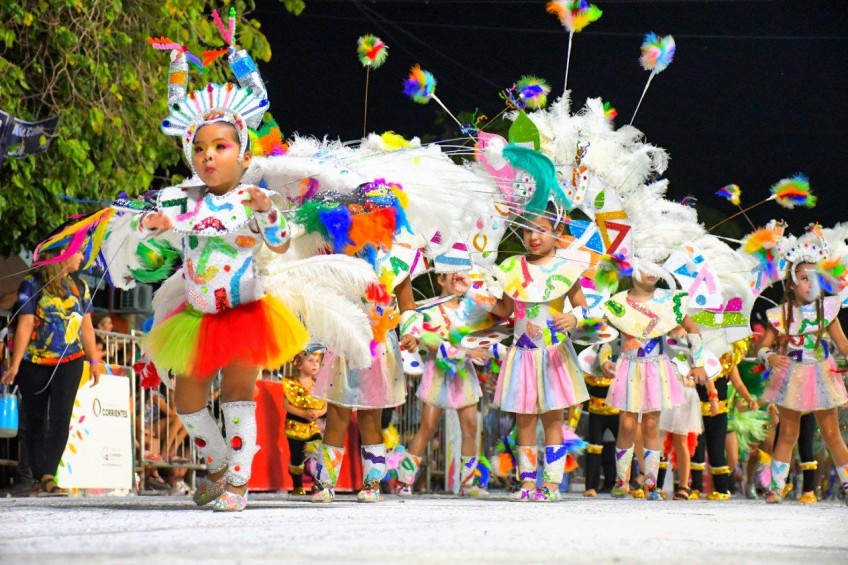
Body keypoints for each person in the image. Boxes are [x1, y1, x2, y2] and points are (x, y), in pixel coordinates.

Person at [465, 205, 590, 502]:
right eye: (526, 230)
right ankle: (527, 483)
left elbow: (582, 306)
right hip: (522, 353)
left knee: (552, 419)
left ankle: (552, 486)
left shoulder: (566, 268)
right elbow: (505, 309)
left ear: (558, 232)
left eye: (541, 230)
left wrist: (573, 318)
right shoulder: (511, 269)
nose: (533, 237)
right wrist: (474, 292)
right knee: (524, 420)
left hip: (552, 354)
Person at [1, 244, 103, 496]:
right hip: (34, 361)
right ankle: (39, 477)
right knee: (34, 421)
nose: (82, 257)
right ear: (61, 255)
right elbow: (26, 323)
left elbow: (86, 327)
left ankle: (48, 475)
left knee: (60, 418)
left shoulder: (80, 286)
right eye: (78, 252)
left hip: (70, 361)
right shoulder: (32, 283)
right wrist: (15, 364)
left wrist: (94, 361)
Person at [600, 264, 708, 501]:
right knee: (627, 423)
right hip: (628, 367)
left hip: (656, 367)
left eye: (656, 267)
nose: (652, 272)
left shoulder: (668, 301)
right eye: (645, 266)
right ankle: (621, 481)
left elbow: (692, 329)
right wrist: (604, 358)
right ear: (632, 268)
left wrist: (698, 362)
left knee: (651, 425)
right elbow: (606, 337)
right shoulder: (618, 303)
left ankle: (651, 484)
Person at [757, 255, 848, 503]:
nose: (810, 284)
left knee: (832, 434)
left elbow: (843, 345)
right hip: (792, 376)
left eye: (815, 279)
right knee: (787, 433)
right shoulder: (781, 315)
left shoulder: (826, 311)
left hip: (822, 375)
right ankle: (776, 488)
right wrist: (769, 356)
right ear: (791, 285)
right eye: (805, 278)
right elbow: (762, 347)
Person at [395, 272, 493, 497]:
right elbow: (430, 343)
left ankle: (467, 485)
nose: (457, 279)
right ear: (440, 280)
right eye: (452, 276)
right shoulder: (428, 310)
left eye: (461, 276)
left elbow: (482, 334)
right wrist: (465, 351)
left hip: (463, 373)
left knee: (470, 427)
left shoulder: (470, 309)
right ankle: (404, 481)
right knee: (428, 426)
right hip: (438, 371)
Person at [283, 346, 327, 495]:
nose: (315, 364)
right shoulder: (291, 383)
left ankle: (317, 483)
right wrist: (303, 414)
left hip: (312, 426)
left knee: (318, 452)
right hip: (294, 426)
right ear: (299, 364)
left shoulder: (319, 385)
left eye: (317, 361)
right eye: (310, 361)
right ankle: (297, 486)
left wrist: (318, 413)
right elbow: (286, 405)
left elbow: (325, 406)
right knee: (297, 456)